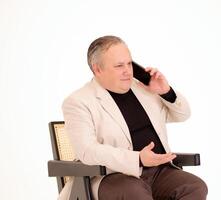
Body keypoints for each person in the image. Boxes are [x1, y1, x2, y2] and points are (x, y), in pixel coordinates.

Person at [61, 35, 208, 200]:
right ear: (97, 69)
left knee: (194, 187)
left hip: (158, 172)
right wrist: (137, 159)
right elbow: (87, 151)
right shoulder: (78, 101)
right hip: (111, 177)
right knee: (135, 192)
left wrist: (165, 91)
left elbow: (182, 115)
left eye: (129, 63)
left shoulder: (143, 89)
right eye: (119, 65)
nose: (128, 71)